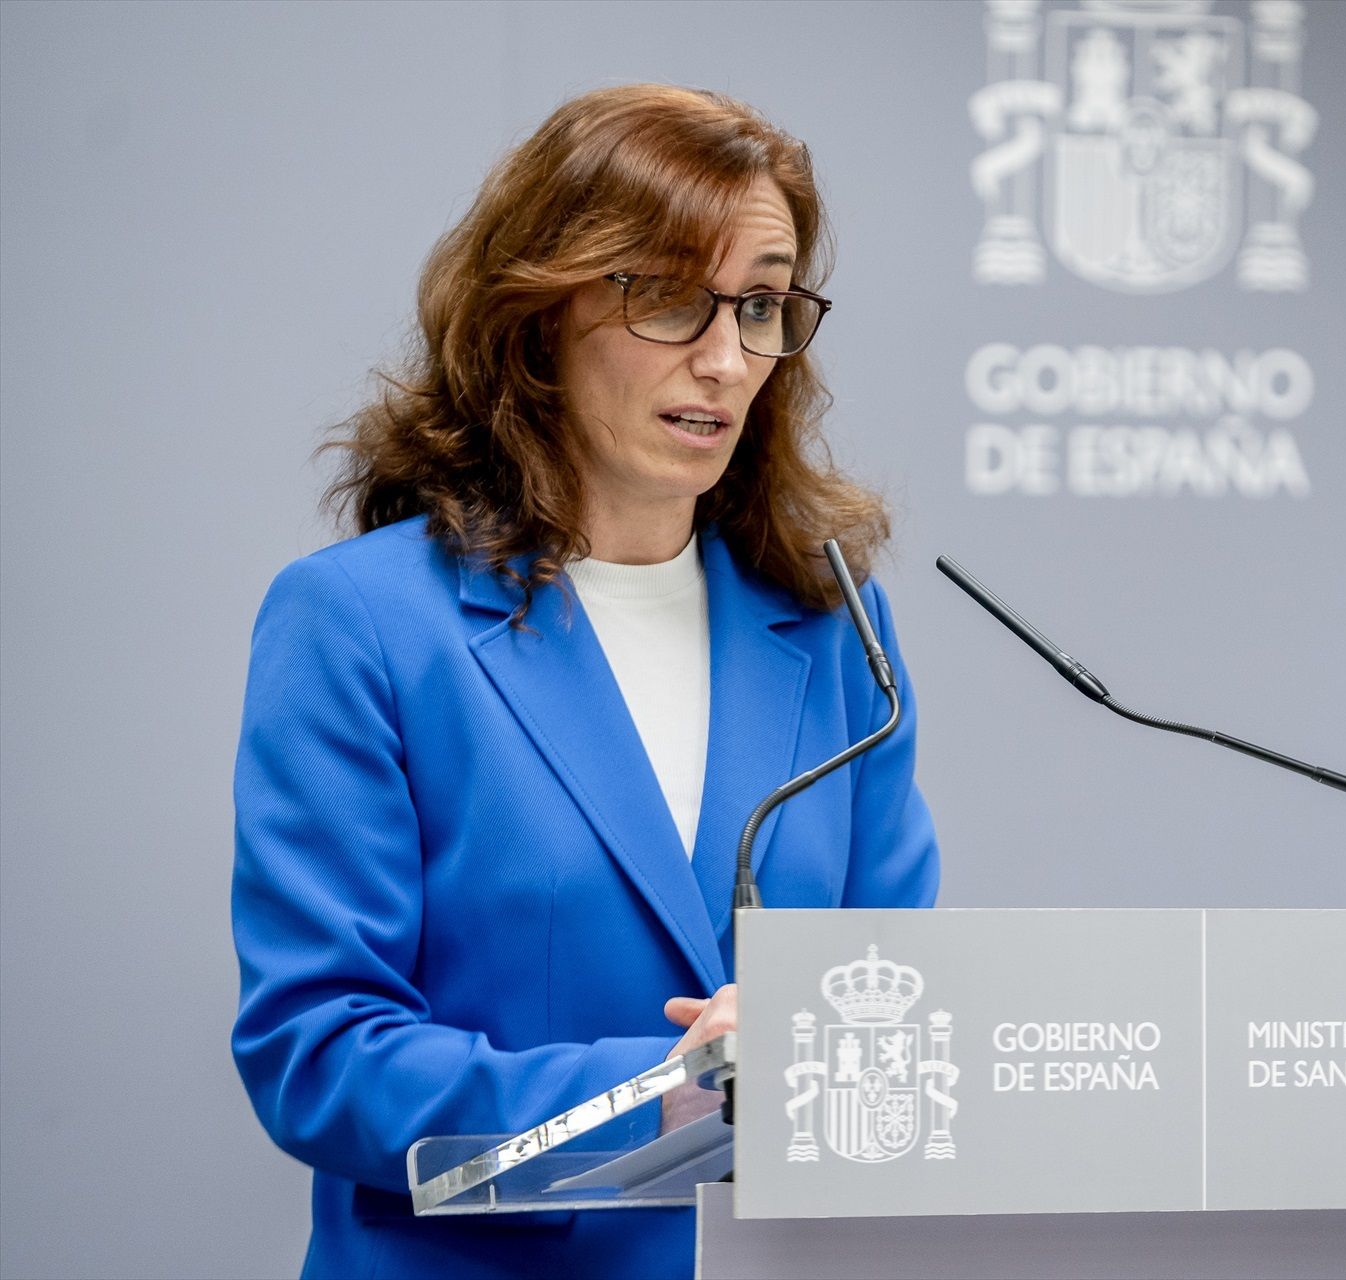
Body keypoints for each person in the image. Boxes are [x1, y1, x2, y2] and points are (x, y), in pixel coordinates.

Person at [230, 85, 939, 1279]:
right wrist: (661, 1094)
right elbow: (320, 1051)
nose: (724, 357)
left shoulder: (837, 629)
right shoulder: (362, 620)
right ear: (538, 312)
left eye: (760, 305)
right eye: (667, 296)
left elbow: (900, 995)